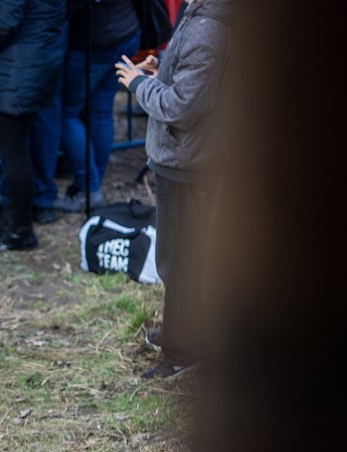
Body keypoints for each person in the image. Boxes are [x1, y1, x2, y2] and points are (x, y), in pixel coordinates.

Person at [115, 0, 232, 379]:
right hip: (190, 156)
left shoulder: (208, 26)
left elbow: (182, 106)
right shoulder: (203, 14)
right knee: (183, 258)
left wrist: (140, 84)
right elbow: (195, 82)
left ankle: (182, 350)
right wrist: (160, 71)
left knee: (179, 262)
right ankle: (184, 330)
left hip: (185, 161)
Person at [0, 0, 65, 252]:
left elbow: (6, 19)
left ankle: (20, 229)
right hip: (40, 56)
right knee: (20, 149)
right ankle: (13, 218)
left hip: (19, 67)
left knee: (14, 153)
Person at [52, 0, 141, 213]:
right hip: (123, 31)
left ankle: (90, 188)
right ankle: (92, 186)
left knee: (67, 114)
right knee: (100, 112)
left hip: (96, 40)